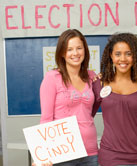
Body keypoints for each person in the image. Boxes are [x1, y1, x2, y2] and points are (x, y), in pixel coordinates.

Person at [34, 29, 98, 166]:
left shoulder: (91, 77)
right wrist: (42, 155)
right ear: (62, 53)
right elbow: (46, 118)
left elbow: (89, 112)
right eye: (69, 49)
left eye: (79, 48)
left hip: (90, 152)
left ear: (85, 50)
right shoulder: (52, 78)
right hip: (63, 153)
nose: (75, 53)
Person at [92, 33, 137, 166]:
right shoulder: (99, 84)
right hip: (109, 156)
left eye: (128, 54)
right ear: (111, 56)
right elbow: (85, 117)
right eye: (118, 54)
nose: (123, 59)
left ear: (135, 56)